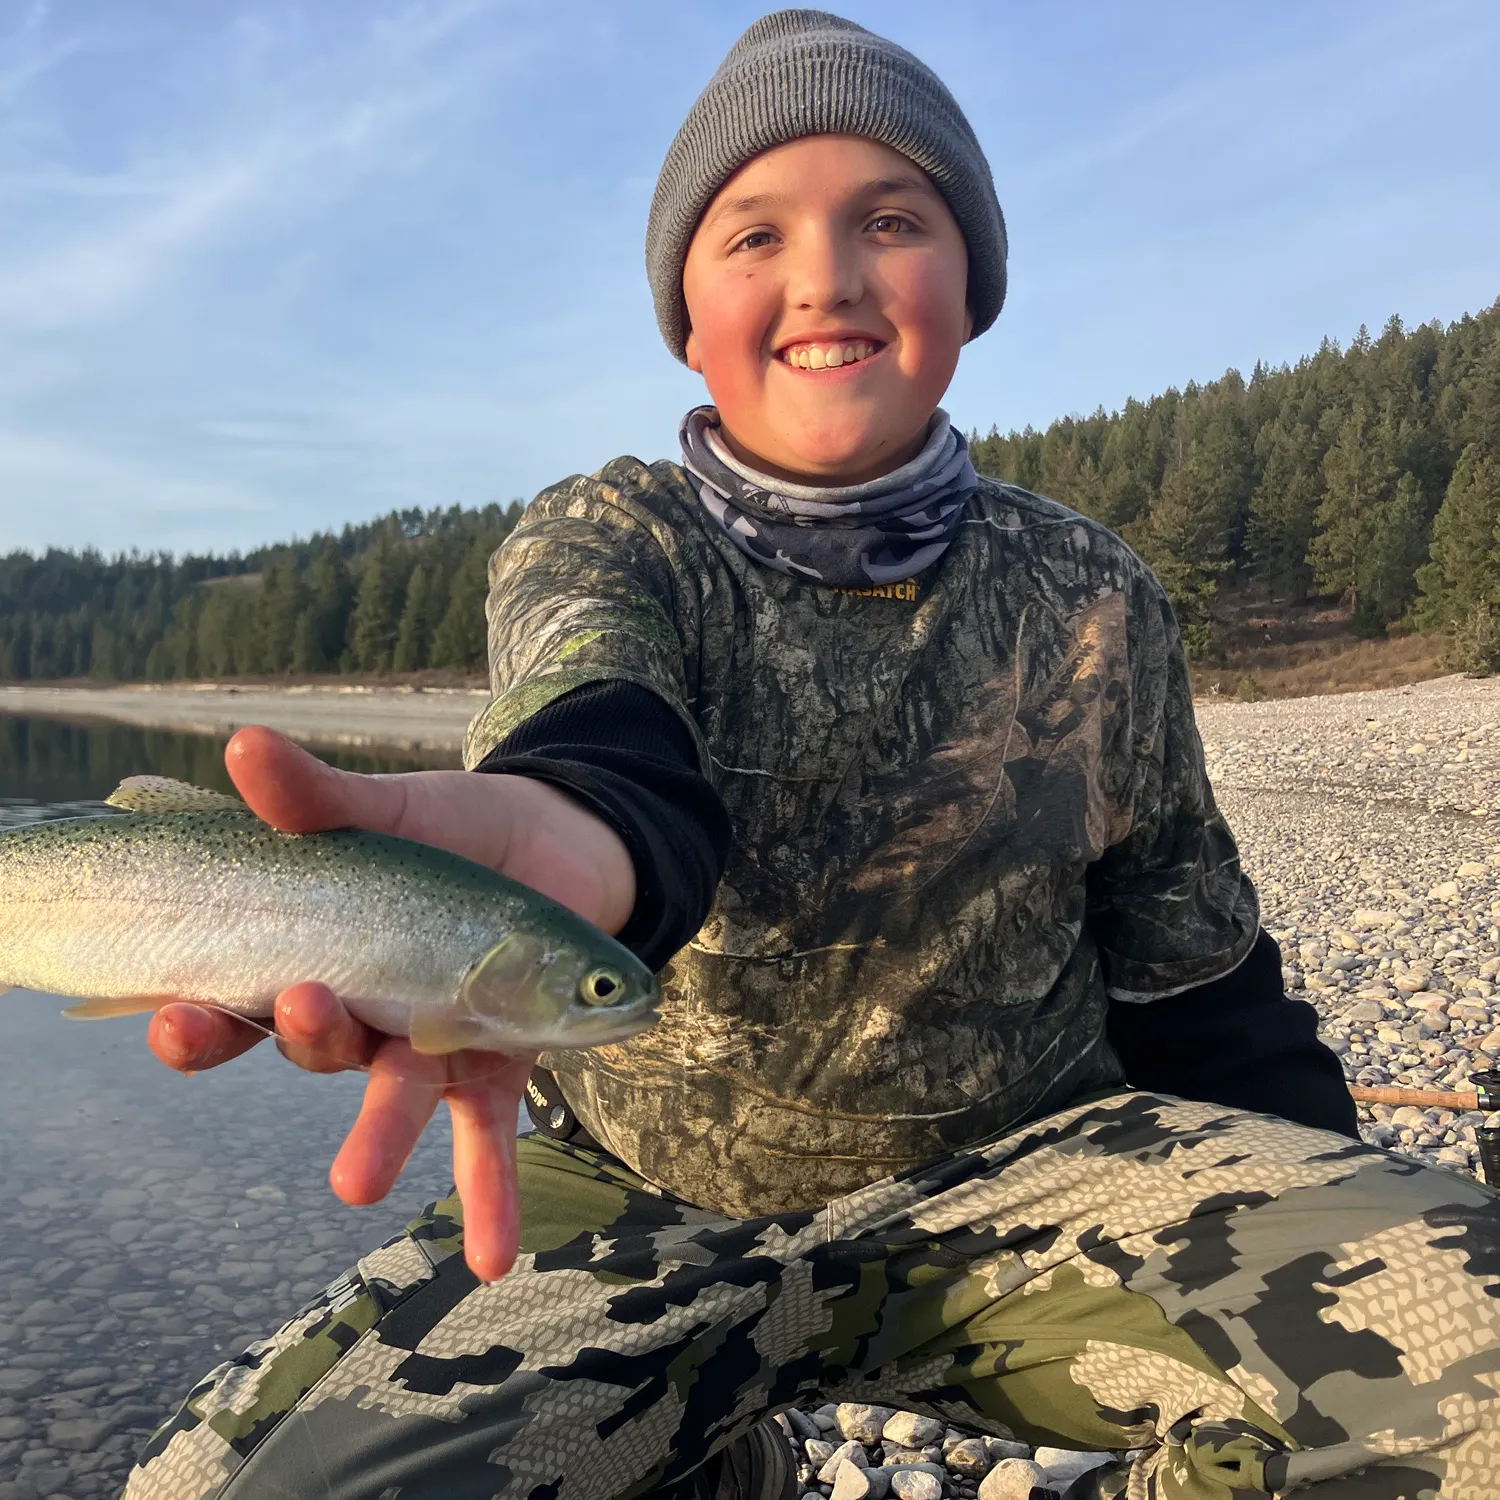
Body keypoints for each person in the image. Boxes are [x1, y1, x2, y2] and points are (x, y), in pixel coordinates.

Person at [124, 12, 1499, 1500]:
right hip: (636, 1203)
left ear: (969, 282)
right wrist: (579, 833)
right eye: (752, 235)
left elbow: (1195, 976)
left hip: (1035, 1182)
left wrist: (1332, 1222)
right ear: (686, 312)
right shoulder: (612, 540)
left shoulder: (1092, 593)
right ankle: (710, 1456)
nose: (827, 277)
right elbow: (601, 733)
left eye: (892, 220)